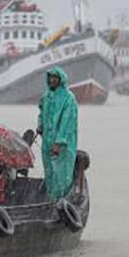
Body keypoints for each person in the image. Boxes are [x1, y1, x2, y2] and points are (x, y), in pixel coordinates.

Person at [36, 66, 78, 201]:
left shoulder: (68, 98)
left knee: (61, 173)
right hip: (47, 141)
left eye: (55, 78)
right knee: (49, 171)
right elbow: (41, 113)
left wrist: (59, 142)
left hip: (63, 143)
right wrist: (40, 126)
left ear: (61, 79)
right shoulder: (46, 97)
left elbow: (67, 122)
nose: (52, 80)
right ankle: (50, 199)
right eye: (51, 77)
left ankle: (61, 200)